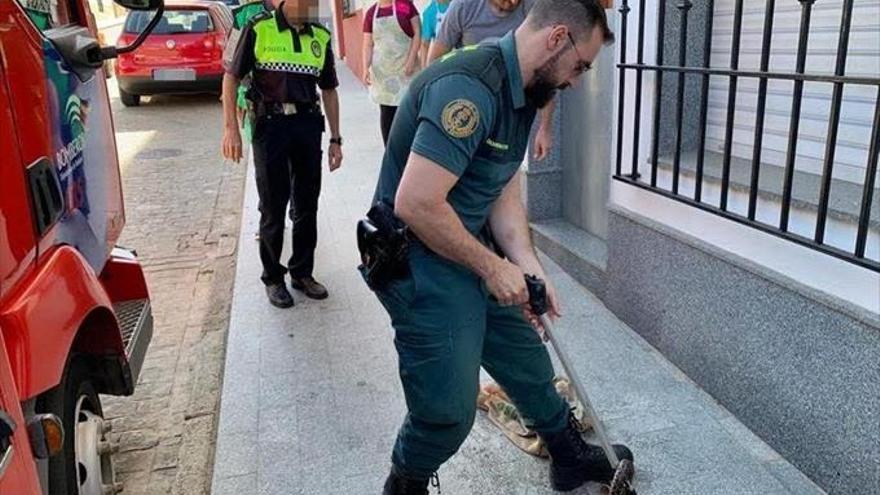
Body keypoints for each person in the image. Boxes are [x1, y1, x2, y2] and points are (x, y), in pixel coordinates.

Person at [363, 0, 631, 493]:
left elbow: (500, 190)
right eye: (581, 66)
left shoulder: (524, 91)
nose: (576, 79)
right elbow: (417, 204)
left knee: (526, 357)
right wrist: (492, 268)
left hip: (469, 245)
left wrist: (528, 268)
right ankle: (406, 482)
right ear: (556, 40)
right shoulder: (468, 89)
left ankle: (567, 456)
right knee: (447, 409)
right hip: (419, 259)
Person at [221, 0, 343, 308]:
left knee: (307, 204)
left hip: (307, 124)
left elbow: (328, 89)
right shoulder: (258, 28)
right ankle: (273, 277)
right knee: (273, 206)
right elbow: (230, 77)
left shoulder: (320, 35)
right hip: (270, 125)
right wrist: (231, 129)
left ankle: (302, 272)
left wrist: (336, 139)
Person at [427, 0, 554, 160]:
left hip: (510, 115)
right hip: (468, 108)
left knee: (500, 174)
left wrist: (545, 128)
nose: (514, 2)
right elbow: (435, 63)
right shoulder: (463, 6)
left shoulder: (531, 9)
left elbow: (543, 73)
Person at [363, 0, 422, 145]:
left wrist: (411, 59)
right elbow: (368, 43)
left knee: (408, 110)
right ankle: (390, 153)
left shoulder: (405, 6)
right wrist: (366, 68)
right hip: (383, 73)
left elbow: (418, 33)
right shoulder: (371, 13)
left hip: (406, 69)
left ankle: (412, 153)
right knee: (387, 112)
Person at [419, 0, 450, 67]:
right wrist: (424, 70)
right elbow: (424, 45)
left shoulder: (429, 12)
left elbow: (425, 44)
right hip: (443, 62)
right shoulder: (430, 12)